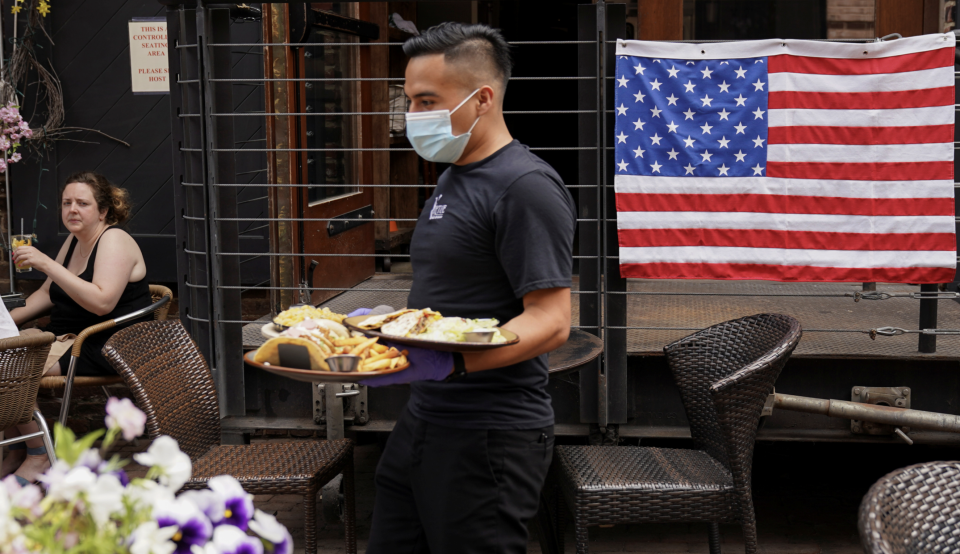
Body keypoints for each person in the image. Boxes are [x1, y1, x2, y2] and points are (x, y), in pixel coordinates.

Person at [364, 23, 577, 553]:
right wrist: (394, 328)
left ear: (482, 98)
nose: (413, 116)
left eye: (427, 100)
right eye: (409, 100)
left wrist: (452, 362)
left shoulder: (525, 188)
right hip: (425, 420)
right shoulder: (452, 174)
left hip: (489, 436)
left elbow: (550, 322)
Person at [1, 171, 151, 485]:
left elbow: (102, 303)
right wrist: (7, 320)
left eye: (82, 203)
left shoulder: (114, 240)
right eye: (66, 202)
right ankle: (16, 451)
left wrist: (46, 263)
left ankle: (39, 453)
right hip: (64, 338)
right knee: (4, 355)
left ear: (103, 211)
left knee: (8, 370)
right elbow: (46, 293)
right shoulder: (74, 240)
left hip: (103, 342)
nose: (72, 209)